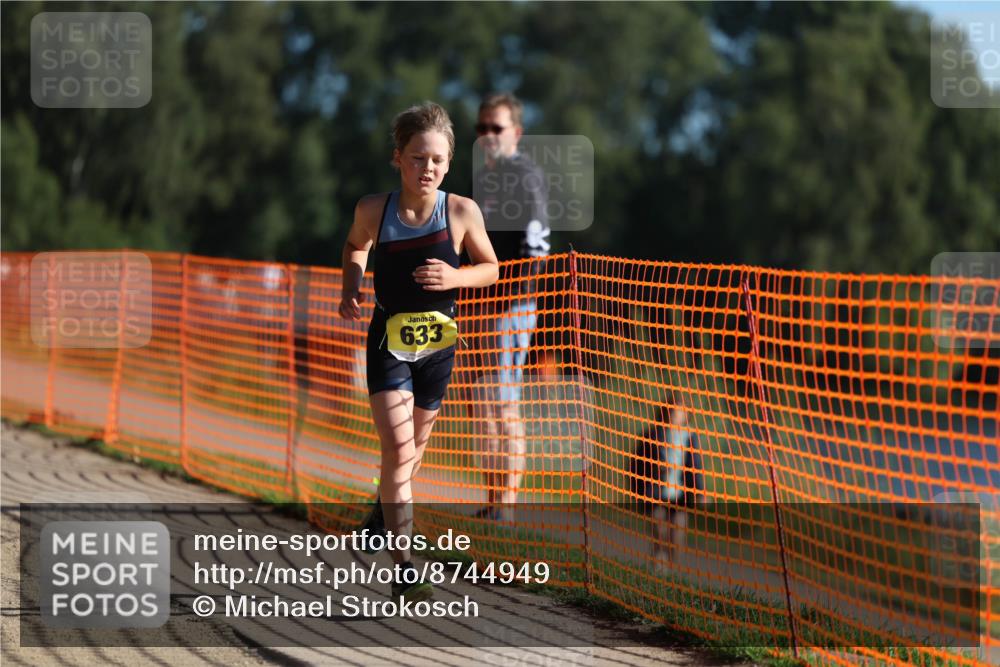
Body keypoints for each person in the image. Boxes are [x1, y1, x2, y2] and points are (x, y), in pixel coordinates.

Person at [339, 102, 498, 602]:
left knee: (409, 459)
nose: (426, 168)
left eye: (436, 159)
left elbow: (490, 268)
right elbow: (354, 247)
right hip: (389, 344)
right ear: (397, 159)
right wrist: (352, 286)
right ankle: (406, 569)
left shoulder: (460, 212)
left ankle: (379, 512)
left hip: (438, 351)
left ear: (449, 163)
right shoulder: (373, 210)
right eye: (416, 158)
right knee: (400, 451)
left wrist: (455, 276)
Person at [470, 93, 550, 522]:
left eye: (495, 128)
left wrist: (509, 298)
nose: (486, 135)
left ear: (515, 133)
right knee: (483, 404)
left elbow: (536, 246)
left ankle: (508, 505)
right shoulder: (487, 180)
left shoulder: (524, 176)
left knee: (504, 403)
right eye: (481, 128)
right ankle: (492, 502)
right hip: (480, 306)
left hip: (510, 306)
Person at [630, 393, 705, 566]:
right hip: (654, 494)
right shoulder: (652, 435)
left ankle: (671, 569)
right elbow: (636, 464)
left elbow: (695, 467)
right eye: (672, 410)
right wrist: (637, 489)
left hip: (679, 496)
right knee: (659, 533)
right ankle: (658, 566)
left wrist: (699, 492)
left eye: (679, 411)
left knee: (676, 536)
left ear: (686, 415)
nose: (674, 414)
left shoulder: (689, 438)